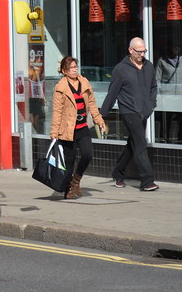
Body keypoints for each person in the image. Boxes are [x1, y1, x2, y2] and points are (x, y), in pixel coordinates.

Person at [101, 37, 159, 191]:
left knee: (132, 144)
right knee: (140, 144)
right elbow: (112, 93)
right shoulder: (121, 69)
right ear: (130, 50)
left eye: (144, 51)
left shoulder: (149, 66)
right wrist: (102, 115)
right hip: (129, 111)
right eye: (139, 51)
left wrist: (151, 104)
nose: (142, 54)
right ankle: (147, 181)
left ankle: (117, 172)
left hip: (144, 111)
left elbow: (153, 87)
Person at [50, 56, 108, 199]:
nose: (75, 70)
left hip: (82, 127)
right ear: (64, 71)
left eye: (76, 67)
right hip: (67, 129)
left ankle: (76, 180)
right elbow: (57, 111)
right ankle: (68, 189)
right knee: (69, 161)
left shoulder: (84, 82)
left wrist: (99, 121)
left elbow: (92, 105)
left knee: (88, 155)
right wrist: (54, 132)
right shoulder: (60, 87)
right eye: (71, 68)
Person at [155, 45, 182, 143]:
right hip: (167, 97)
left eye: (177, 47)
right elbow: (157, 79)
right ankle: (163, 140)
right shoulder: (162, 61)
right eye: (173, 47)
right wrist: (159, 95)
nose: (175, 49)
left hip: (180, 96)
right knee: (166, 120)